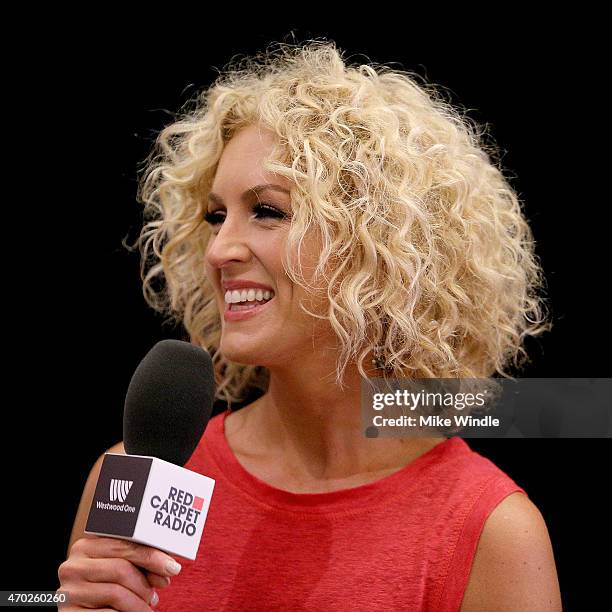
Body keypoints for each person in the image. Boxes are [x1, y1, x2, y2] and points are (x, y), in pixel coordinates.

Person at [58, 40, 561, 610]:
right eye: (216, 216)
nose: (220, 249)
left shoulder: (491, 530)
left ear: (379, 246)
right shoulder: (130, 479)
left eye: (267, 211)